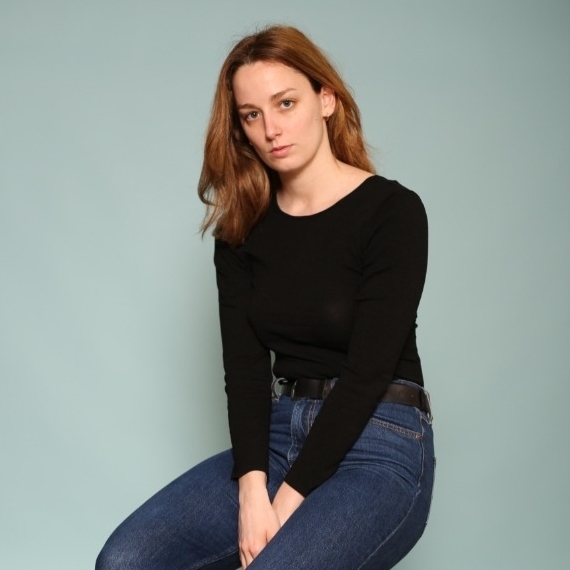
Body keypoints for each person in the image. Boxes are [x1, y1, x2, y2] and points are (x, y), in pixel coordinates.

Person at [96, 24, 434, 570]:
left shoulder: (392, 212)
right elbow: (245, 370)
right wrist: (253, 492)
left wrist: (288, 499)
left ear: (326, 99)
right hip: (276, 438)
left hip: (380, 440)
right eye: (252, 114)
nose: (271, 128)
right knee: (126, 560)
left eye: (286, 103)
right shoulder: (241, 230)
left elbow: (368, 372)